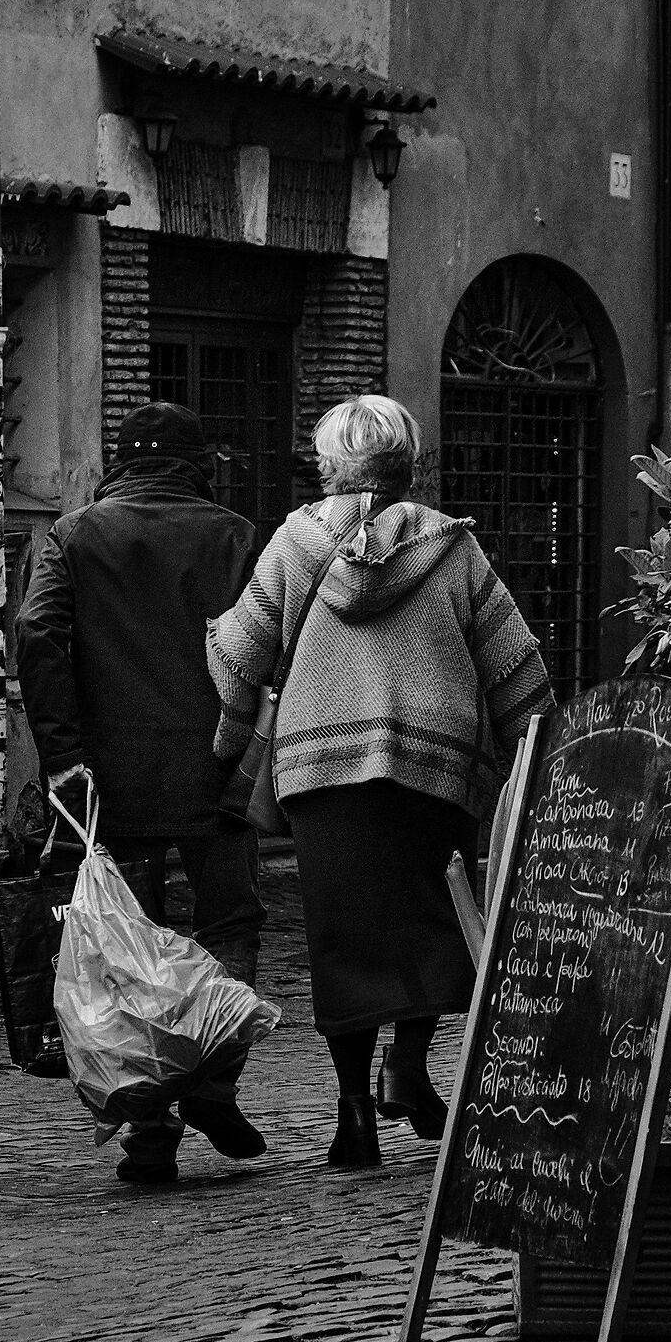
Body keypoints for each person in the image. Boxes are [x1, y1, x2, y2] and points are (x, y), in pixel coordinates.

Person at [209, 395, 551, 1168]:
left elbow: (239, 654)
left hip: (323, 778)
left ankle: (354, 1118)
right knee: (430, 920)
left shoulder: (295, 545)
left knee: (344, 941)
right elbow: (516, 670)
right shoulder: (455, 550)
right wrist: (536, 762)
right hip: (435, 769)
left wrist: (230, 742)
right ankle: (408, 1066)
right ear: (409, 464)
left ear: (331, 465)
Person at [13, 401, 268, 1185]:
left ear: (120, 461)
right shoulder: (234, 536)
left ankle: (148, 1125)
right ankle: (215, 1079)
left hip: (109, 778)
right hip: (216, 773)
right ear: (198, 464)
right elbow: (272, 645)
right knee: (229, 923)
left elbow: (35, 631)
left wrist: (62, 753)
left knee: (126, 941)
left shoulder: (74, 534)